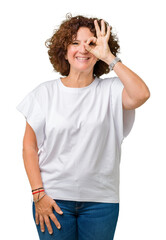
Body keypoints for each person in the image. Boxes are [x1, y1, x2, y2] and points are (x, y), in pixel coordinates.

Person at [16, 13, 150, 240]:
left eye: (91, 44)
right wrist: (38, 194)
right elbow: (29, 147)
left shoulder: (112, 90)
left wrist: (110, 58)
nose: (83, 49)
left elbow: (141, 95)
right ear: (64, 51)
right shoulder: (44, 93)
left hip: (101, 203)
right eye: (75, 43)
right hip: (53, 199)